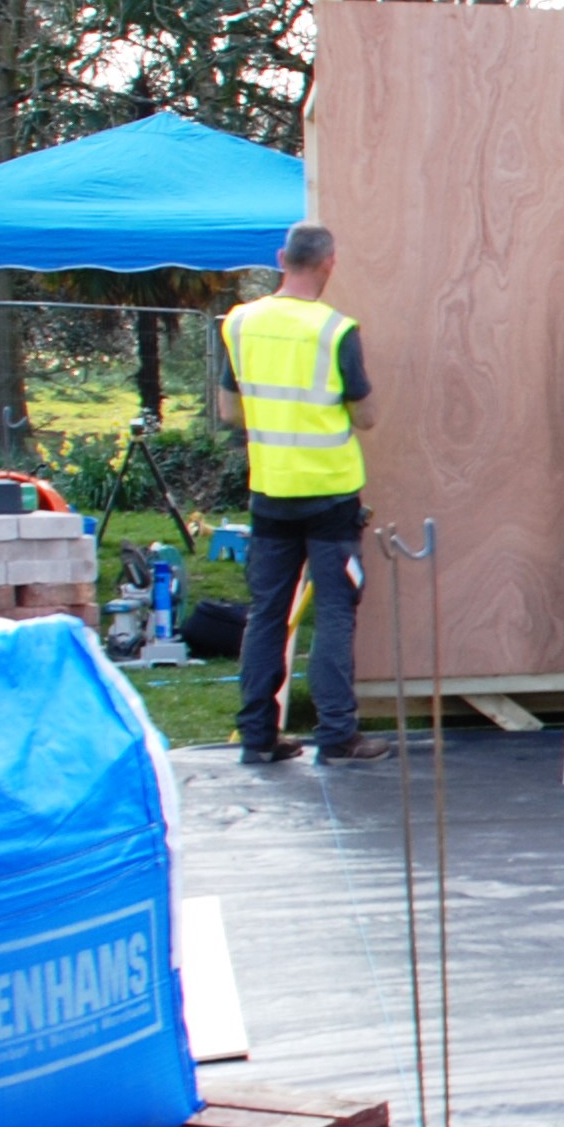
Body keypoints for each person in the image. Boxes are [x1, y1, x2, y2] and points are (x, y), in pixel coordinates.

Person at [216, 222, 389, 764]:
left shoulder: (241, 323)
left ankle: (258, 737)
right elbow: (366, 417)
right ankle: (337, 736)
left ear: (280, 258)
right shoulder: (335, 331)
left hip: (270, 491)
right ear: (329, 263)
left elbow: (226, 410)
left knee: (267, 614)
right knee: (335, 614)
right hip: (332, 497)